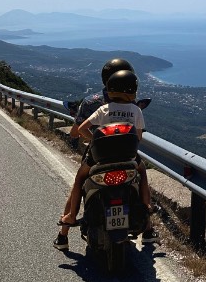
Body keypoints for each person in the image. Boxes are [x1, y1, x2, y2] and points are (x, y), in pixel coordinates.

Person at [54, 68, 158, 250]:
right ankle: (147, 208)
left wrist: (94, 139)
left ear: (109, 89)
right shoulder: (136, 110)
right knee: (142, 174)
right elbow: (139, 137)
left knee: (79, 179)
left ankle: (68, 224)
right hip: (128, 158)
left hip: (100, 160)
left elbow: (80, 129)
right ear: (133, 89)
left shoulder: (103, 109)